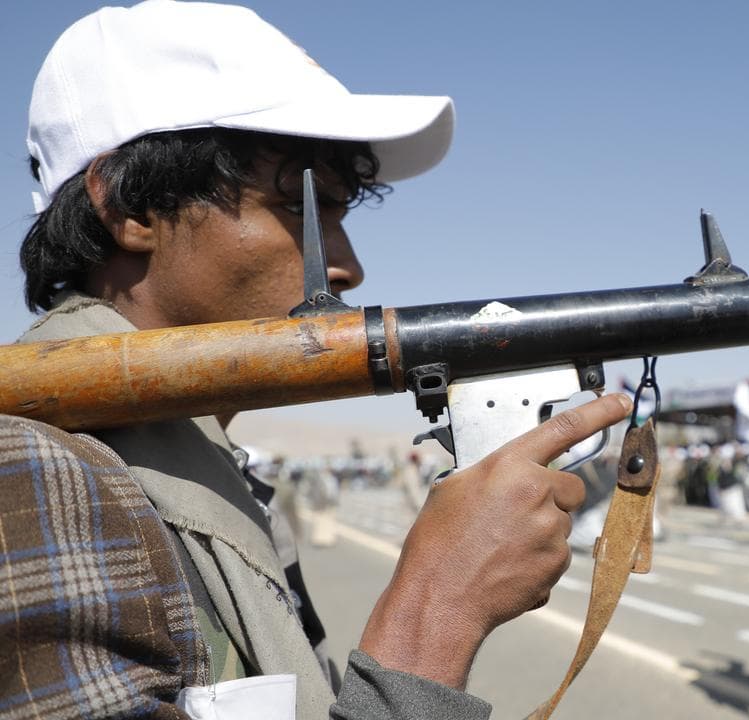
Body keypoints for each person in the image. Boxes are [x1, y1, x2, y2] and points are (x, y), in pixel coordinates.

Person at [3, 3, 632, 718]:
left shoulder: (193, 464)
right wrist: (435, 611)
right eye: (302, 208)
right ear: (131, 209)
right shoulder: (32, 471)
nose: (347, 268)